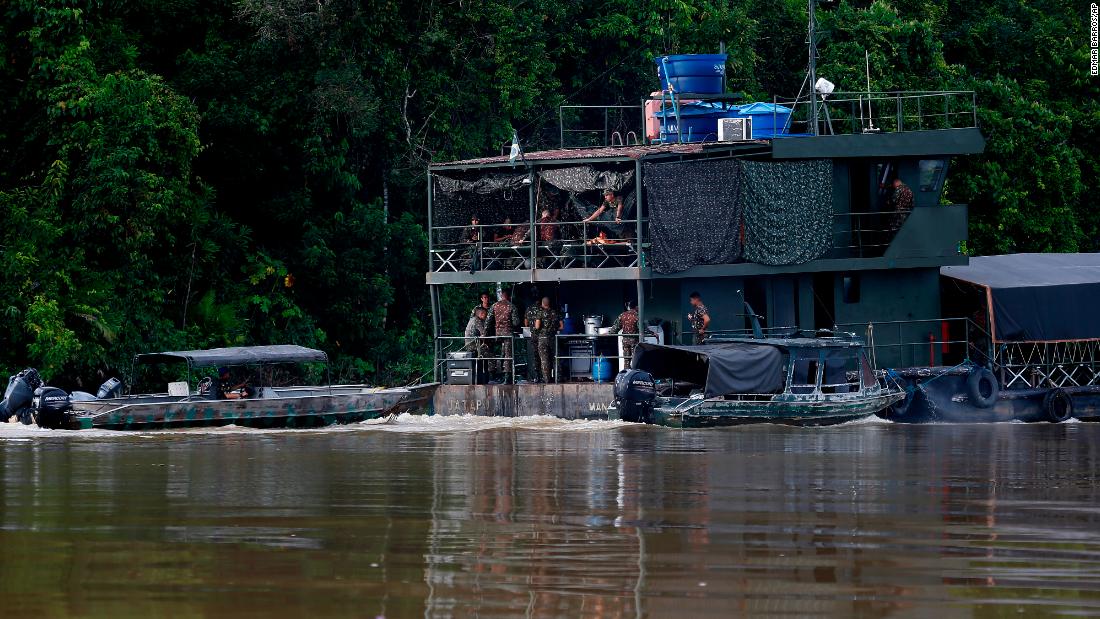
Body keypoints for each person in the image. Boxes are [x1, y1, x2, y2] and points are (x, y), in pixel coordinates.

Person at [487, 290, 521, 382]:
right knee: (508, 355)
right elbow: (516, 322)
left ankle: (498, 374)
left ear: (502, 296)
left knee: (502, 353)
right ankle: (507, 377)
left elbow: (488, 321)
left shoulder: (494, 306)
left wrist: (485, 334)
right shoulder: (511, 306)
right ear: (509, 297)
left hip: (498, 334)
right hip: (508, 334)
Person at [533, 296, 563, 383]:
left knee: (544, 359)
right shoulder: (555, 313)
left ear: (542, 303)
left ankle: (547, 379)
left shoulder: (540, 312)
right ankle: (558, 378)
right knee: (556, 358)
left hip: (542, 338)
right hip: (553, 338)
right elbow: (562, 326)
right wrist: (554, 328)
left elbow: (537, 326)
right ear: (549, 303)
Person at [464, 306, 491, 373]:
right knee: (490, 354)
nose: (486, 316)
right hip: (473, 345)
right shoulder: (477, 321)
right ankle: (489, 374)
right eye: (485, 314)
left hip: (470, 344)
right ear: (481, 314)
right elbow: (483, 333)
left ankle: (481, 375)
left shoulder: (472, 319)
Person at [524, 293, 543, 381]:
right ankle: (545, 376)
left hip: (533, 335)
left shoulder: (528, 309)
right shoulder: (542, 309)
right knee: (544, 356)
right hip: (543, 336)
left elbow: (526, 323)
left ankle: (536, 376)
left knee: (535, 356)